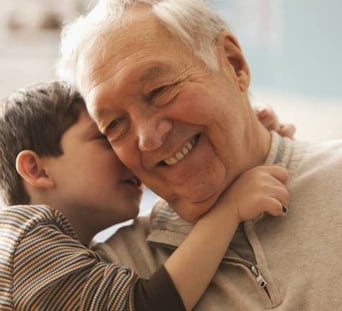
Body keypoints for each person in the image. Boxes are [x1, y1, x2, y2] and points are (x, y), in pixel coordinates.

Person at [58, 0, 342, 309]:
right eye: (114, 124)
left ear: (234, 65)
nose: (148, 138)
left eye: (159, 90)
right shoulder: (110, 279)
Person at [0, 81, 289, 310]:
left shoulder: (57, 248)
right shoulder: (26, 246)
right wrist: (230, 207)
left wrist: (243, 146)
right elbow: (146, 304)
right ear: (36, 169)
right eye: (106, 138)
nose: (130, 150)